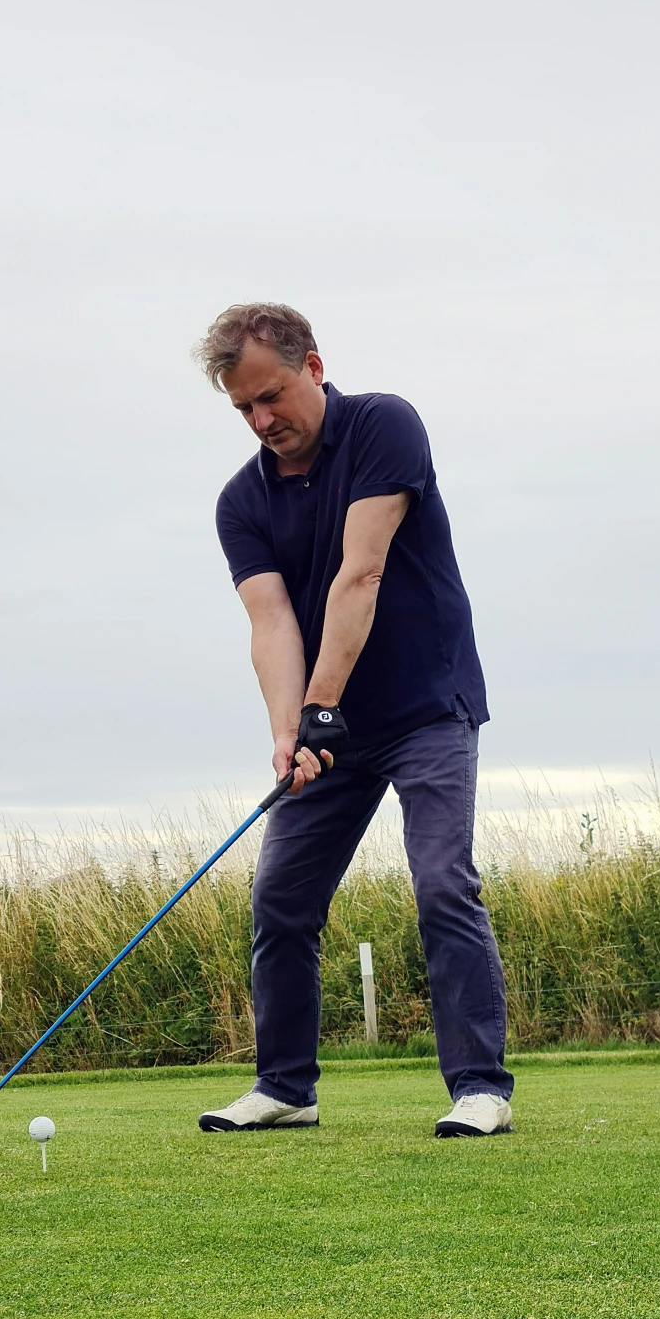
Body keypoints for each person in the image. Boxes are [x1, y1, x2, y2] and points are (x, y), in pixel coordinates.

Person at [193, 302, 515, 1138]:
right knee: (281, 898)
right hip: (328, 722)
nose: (262, 421)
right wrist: (287, 730)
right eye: (243, 410)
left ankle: (479, 1088)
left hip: (423, 706)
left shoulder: (383, 425)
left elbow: (359, 574)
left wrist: (320, 704)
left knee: (443, 880)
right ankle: (286, 1087)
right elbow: (271, 624)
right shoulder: (241, 502)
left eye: (270, 397)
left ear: (312, 367)